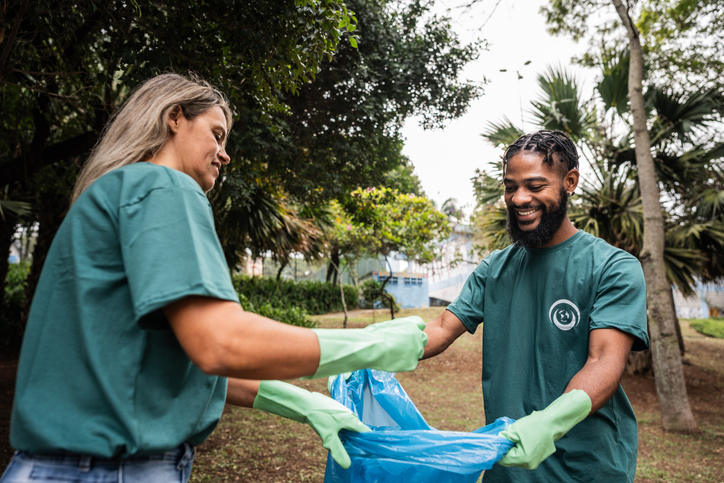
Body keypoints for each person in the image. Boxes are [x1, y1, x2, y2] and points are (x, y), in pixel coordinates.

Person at [1, 73, 428, 483]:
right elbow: (218, 342)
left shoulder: (116, 190)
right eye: (217, 134)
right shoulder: (164, 186)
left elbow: (168, 360)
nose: (225, 155)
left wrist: (303, 402)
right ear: (175, 117)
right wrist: (374, 344)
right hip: (113, 471)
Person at [423, 130, 649, 482]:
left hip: (586, 469)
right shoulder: (494, 268)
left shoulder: (612, 267)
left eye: (535, 185)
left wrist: (549, 421)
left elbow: (605, 360)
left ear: (569, 181)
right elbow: (440, 329)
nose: (518, 198)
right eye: (510, 187)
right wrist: (370, 349)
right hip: (510, 466)